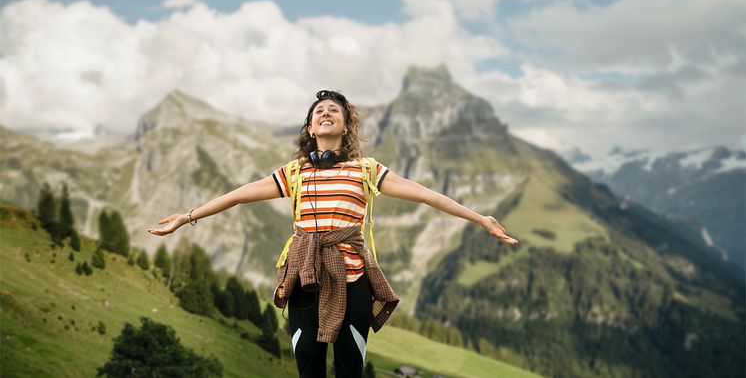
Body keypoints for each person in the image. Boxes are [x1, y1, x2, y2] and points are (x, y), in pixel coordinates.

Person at [147, 89, 518, 377]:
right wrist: (188, 216)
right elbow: (238, 196)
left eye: (333, 111)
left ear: (345, 127)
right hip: (304, 275)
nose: (325, 114)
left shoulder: (366, 170)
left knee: (349, 368)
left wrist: (479, 218)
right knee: (308, 365)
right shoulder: (293, 173)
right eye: (318, 112)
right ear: (311, 128)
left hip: (353, 277)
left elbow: (426, 195)